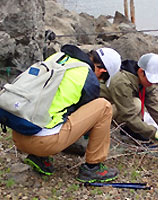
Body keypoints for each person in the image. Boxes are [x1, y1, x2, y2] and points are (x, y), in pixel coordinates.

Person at [12, 44, 119, 183]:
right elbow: (83, 120)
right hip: (42, 143)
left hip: (18, 133)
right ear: (102, 70)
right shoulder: (89, 78)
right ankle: (93, 168)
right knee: (104, 106)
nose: (100, 82)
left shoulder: (59, 58)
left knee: (53, 108)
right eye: (103, 79)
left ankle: (39, 158)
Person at [99, 53, 158, 149]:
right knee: (137, 104)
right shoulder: (122, 82)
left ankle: (132, 130)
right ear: (141, 72)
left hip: (116, 105)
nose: (152, 83)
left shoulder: (142, 81)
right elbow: (129, 115)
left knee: (136, 104)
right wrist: (155, 134)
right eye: (150, 79)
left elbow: (153, 105)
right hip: (99, 110)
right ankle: (128, 131)